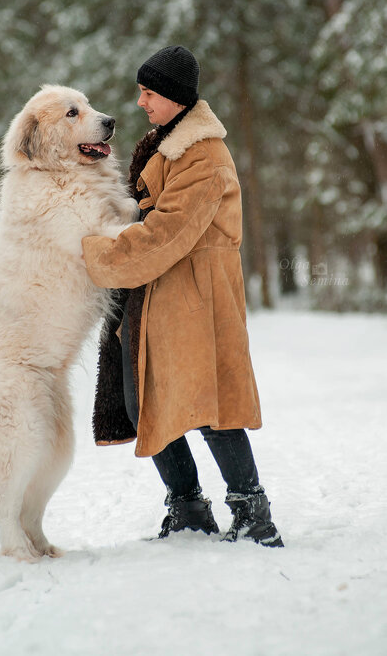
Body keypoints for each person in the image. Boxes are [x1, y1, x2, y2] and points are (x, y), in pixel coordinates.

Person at [81, 45, 283, 547]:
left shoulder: (204, 155)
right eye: (140, 92)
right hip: (157, 298)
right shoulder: (164, 143)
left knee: (210, 408)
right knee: (142, 402)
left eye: (148, 93)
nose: (140, 103)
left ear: (174, 97)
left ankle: (252, 511)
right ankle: (189, 507)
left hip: (197, 299)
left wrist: (94, 253)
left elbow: (166, 234)